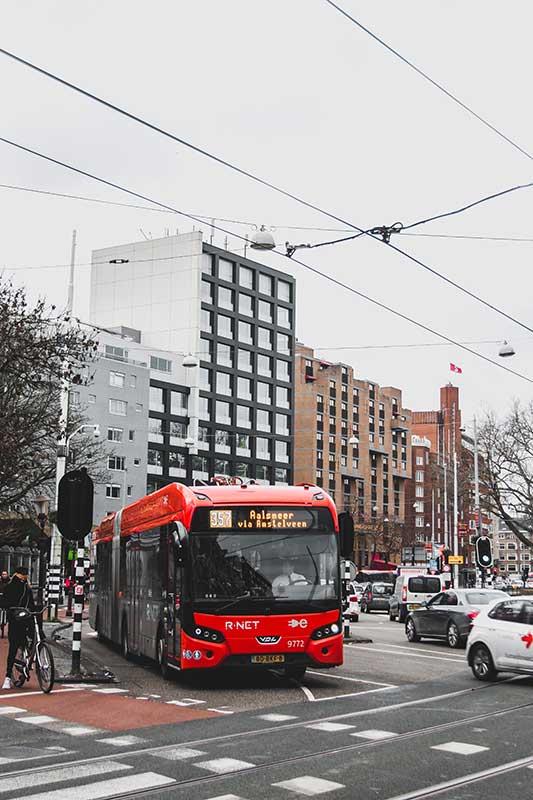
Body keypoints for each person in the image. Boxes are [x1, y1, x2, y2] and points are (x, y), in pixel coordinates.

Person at [1, 566, 35, 690]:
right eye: (23, 574)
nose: (24, 577)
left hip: (27, 619)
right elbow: (4, 602)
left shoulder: (27, 588)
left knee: (37, 636)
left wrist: (34, 612)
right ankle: (8, 677)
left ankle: (31, 655)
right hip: (15, 621)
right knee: (13, 647)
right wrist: (11, 609)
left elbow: (31, 604)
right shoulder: (10, 587)